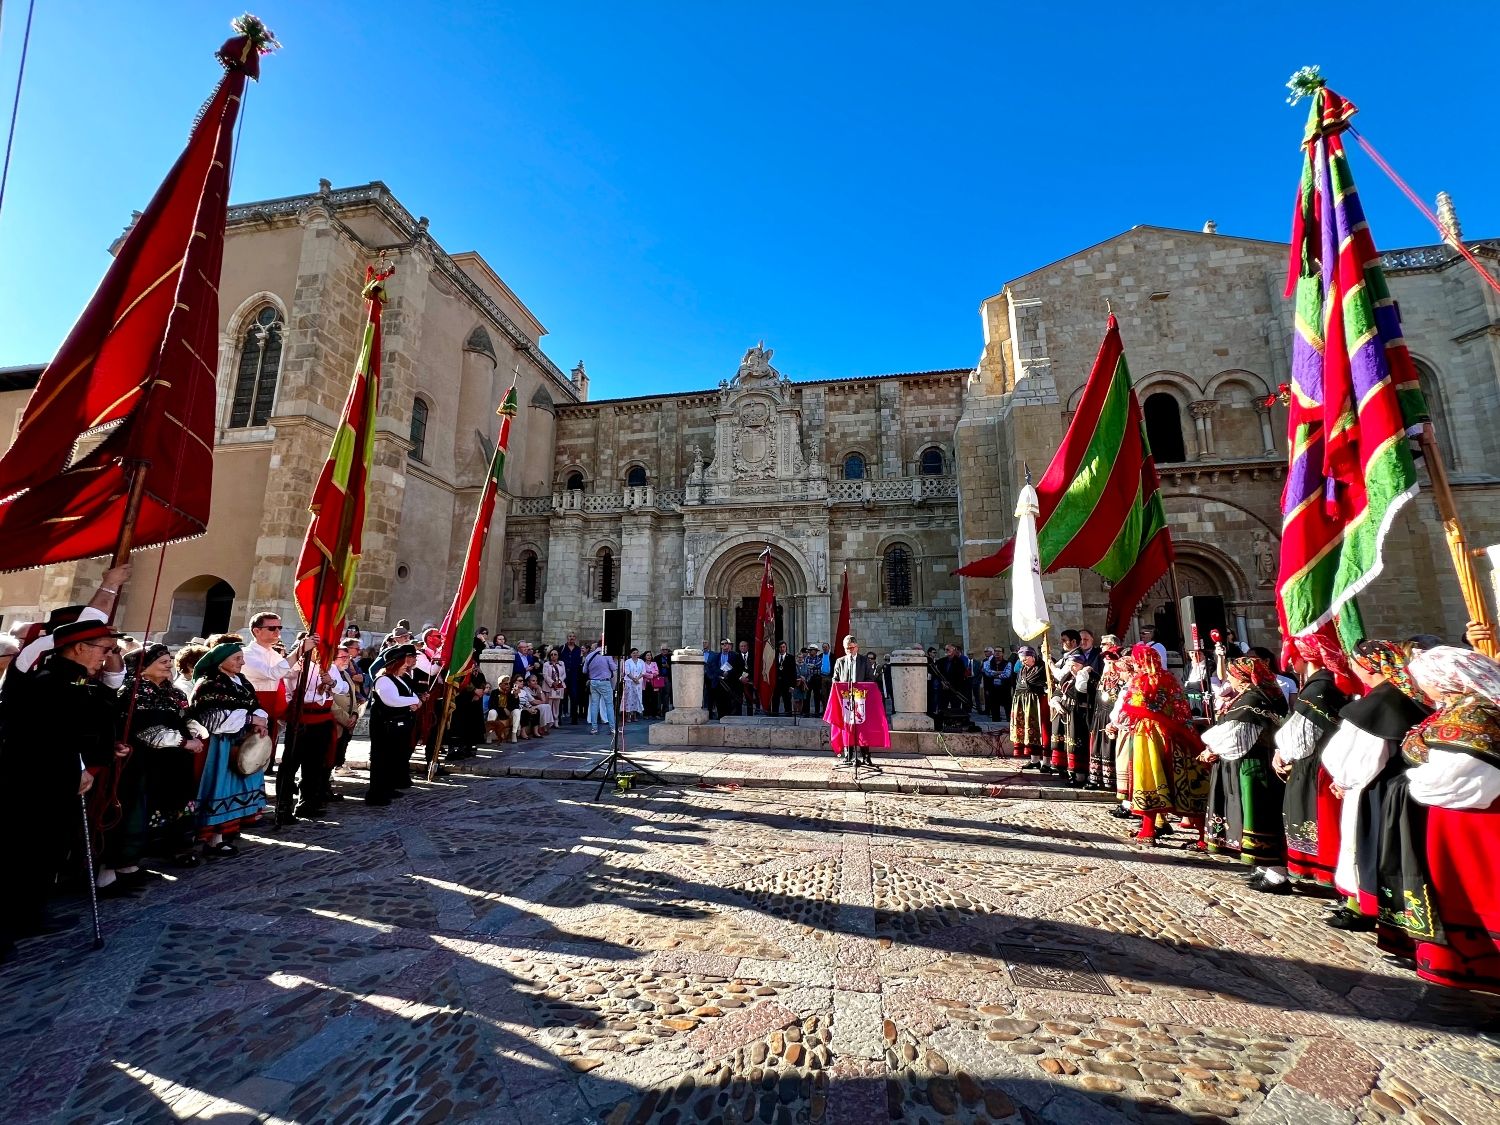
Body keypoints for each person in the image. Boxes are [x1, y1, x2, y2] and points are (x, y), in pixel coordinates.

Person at [0, 619, 128, 960]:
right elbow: (53, 736)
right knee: (21, 853)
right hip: (36, 781)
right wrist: (83, 765)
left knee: (48, 850)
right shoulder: (49, 682)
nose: (107, 655)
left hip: (63, 780)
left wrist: (106, 749)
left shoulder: (79, 680)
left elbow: (95, 721)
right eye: (104, 648)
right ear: (80, 647)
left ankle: (31, 915)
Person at [1399, 646, 1500, 1039]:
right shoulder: (1459, 710)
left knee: (1486, 897)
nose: (1418, 684)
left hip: (1477, 824)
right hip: (1458, 824)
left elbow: (1456, 780)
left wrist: (1409, 782)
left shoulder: (1477, 715)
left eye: (1422, 676)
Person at [1321, 641, 1432, 931]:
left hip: (1375, 787)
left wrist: (1343, 780)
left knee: (1366, 847)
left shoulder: (1379, 703)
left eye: (1355, 662)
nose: (1352, 668)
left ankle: (1365, 906)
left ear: (1368, 666)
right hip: (1403, 787)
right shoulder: (1410, 696)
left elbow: (1363, 756)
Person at [101, 644, 205, 891]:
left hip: (176, 761)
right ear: (143, 668)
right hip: (145, 762)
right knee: (138, 811)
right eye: (162, 662)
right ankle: (127, 865)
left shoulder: (173, 691)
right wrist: (185, 742)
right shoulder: (134, 692)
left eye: (170, 660)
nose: (169, 664)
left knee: (177, 803)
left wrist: (195, 731)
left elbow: (184, 715)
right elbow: (147, 731)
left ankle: (174, 848)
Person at [1273, 633, 1356, 889]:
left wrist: (1282, 752)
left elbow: (1302, 731)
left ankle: (1324, 872)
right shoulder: (1326, 682)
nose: (1289, 664)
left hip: (1316, 762)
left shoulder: (1319, 686)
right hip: (1320, 759)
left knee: (1319, 817)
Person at [1200, 656, 1291, 889]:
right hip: (1249, 763)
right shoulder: (1254, 696)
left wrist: (1211, 748)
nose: (1228, 677)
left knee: (1259, 815)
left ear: (1241, 677)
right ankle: (1261, 867)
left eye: (1231, 673)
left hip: (1252, 767)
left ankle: (1276, 874)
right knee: (1253, 813)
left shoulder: (1252, 700)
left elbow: (1233, 735)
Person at [1114, 643, 1208, 843]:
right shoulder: (1170, 679)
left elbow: (1130, 709)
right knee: (1183, 780)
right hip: (1176, 735)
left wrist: (1119, 722)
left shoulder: (1140, 681)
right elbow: (1180, 707)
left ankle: (1148, 831)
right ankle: (1202, 835)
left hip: (1147, 735)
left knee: (1150, 778)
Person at [189, 642, 270, 853]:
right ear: (220, 661)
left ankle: (221, 835)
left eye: (242, 658)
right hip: (219, 746)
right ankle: (207, 838)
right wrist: (251, 718)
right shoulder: (208, 684)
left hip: (240, 743)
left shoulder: (242, 682)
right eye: (237, 658)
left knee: (233, 788)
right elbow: (213, 720)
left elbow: (255, 705)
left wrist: (259, 721)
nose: (242, 662)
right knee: (218, 787)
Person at [241, 612, 309, 756]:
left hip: (271, 709)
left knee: (264, 755)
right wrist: (299, 651)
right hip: (251, 708)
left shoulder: (274, 654)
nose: (277, 631)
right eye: (272, 628)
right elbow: (273, 673)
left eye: (280, 627)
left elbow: (289, 672)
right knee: (247, 755)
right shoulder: (246, 654)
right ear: (257, 631)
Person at [366, 645, 421, 805]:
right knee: (381, 758)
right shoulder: (383, 679)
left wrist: (414, 700)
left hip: (397, 725)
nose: (406, 666)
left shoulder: (398, 678)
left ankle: (388, 788)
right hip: (384, 725)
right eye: (403, 663)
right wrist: (414, 701)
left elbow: (408, 695)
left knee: (392, 758)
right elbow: (392, 700)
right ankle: (376, 793)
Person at [1055, 649, 1098, 787]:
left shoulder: (1090, 676)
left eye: (1073, 665)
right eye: (1069, 665)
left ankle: (1081, 776)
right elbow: (1059, 690)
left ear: (1081, 665)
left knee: (1079, 745)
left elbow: (1082, 691)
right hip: (1068, 715)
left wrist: (1082, 674)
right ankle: (1071, 773)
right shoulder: (1068, 676)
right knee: (1069, 744)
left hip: (1080, 716)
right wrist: (1055, 701)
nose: (1071, 668)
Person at [1012, 646, 1050, 767]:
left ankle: (1047, 762)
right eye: (1021, 660)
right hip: (1025, 704)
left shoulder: (1042, 668)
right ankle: (1034, 760)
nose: (1023, 662)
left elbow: (1039, 683)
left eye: (1025, 660)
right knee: (1030, 731)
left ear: (1033, 657)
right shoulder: (1022, 669)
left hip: (1039, 703)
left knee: (1042, 731)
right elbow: (1020, 685)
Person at [329, 639, 363, 778]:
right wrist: (344, 718)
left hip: (348, 719)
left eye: (348, 657)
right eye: (343, 657)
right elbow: (330, 700)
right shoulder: (329, 674)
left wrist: (354, 713)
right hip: (336, 719)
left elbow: (352, 695)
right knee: (331, 749)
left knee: (342, 746)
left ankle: (338, 766)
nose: (347, 661)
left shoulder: (346, 674)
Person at [583, 641, 617, 736]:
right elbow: (614, 668)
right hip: (604, 681)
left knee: (594, 705)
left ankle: (594, 728)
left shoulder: (590, 656)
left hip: (593, 681)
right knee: (609, 705)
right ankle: (612, 728)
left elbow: (584, 670)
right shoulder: (607, 655)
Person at [981, 647, 1010, 722]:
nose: (997, 653)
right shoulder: (987, 663)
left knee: (1007, 706)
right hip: (993, 688)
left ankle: (1009, 722)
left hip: (1004, 689)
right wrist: (1000, 672)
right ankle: (996, 721)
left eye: (999, 651)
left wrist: (994, 673)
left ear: (1002, 653)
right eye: (996, 651)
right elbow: (987, 673)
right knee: (994, 707)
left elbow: (1007, 674)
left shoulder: (1007, 663)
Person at [561, 632, 584, 724]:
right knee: (562, 696)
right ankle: (558, 718)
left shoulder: (578, 649)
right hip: (564, 675)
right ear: (567, 638)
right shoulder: (562, 648)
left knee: (574, 696)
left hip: (574, 676)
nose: (572, 638)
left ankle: (574, 718)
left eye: (573, 636)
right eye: (570, 636)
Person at [542, 649, 568, 725]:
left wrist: (559, 681)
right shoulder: (546, 664)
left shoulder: (561, 663)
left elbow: (564, 674)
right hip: (549, 686)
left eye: (555, 654)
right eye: (551, 654)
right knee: (549, 704)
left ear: (558, 655)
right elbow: (545, 675)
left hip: (558, 686)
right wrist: (552, 682)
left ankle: (556, 719)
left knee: (557, 704)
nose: (553, 656)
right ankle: (550, 721)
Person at [622, 647, 646, 721]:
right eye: (633, 653)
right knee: (629, 698)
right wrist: (633, 679)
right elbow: (627, 672)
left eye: (636, 653)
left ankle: (635, 716)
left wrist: (637, 678)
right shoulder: (628, 662)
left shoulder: (641, 661)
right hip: (629, 682)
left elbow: (643, 671)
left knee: (637, 698)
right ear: (631, 654)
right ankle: (628, 715)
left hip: (638, 682)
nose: (635, 654)